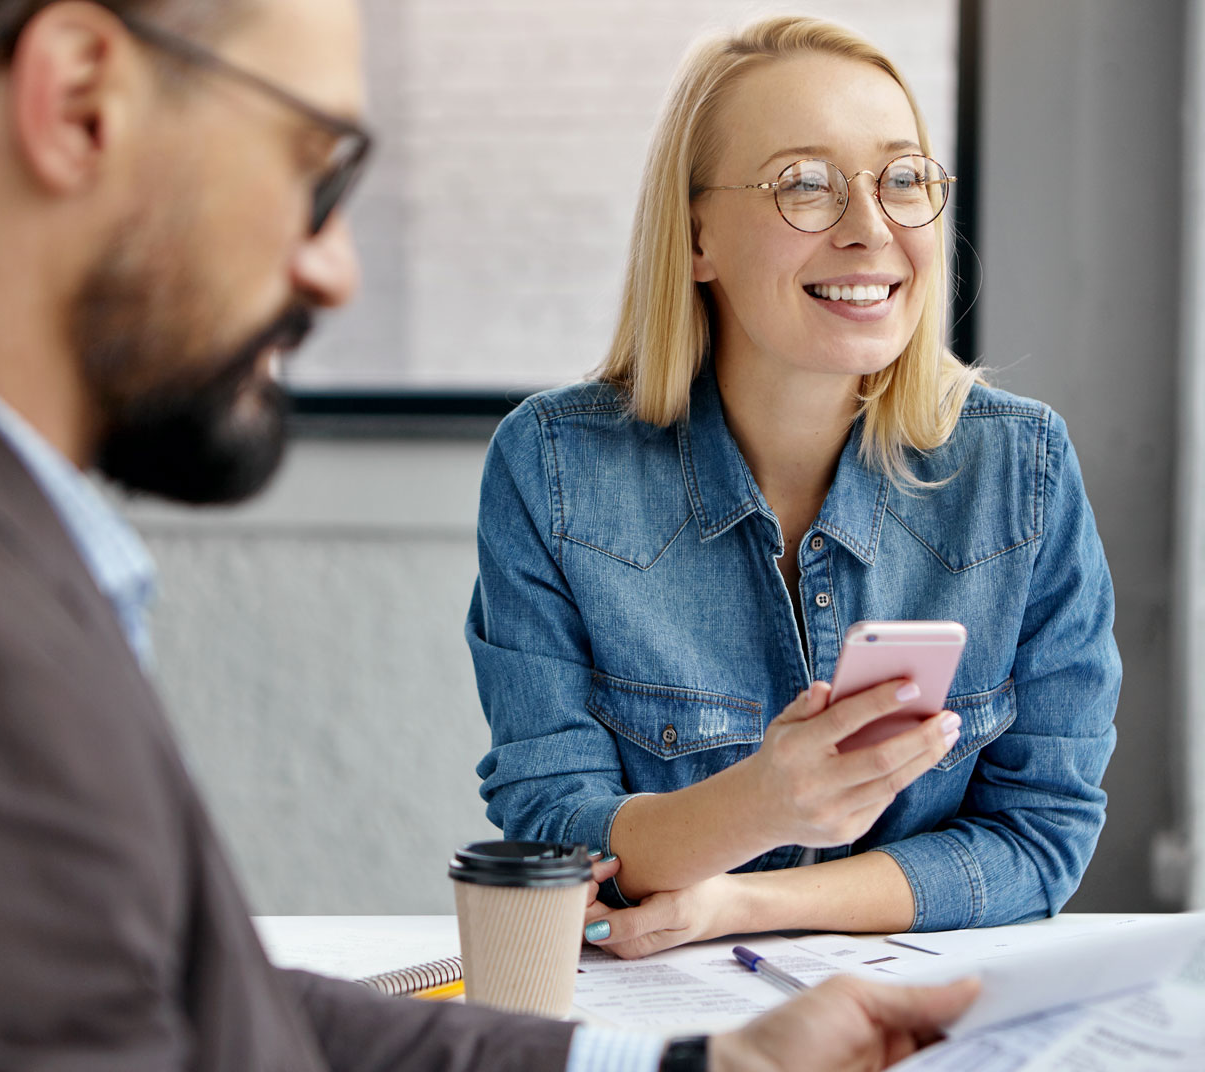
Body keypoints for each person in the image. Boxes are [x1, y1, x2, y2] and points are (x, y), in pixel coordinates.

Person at [0, 1, 980, 1069]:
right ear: (78, 106)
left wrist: (693, 1067)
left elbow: (201, 1009)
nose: (335, 268)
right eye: (318, 168)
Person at [466, 15, 1122, 959]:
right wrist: (761, 804)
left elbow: (1040, 837)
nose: (871, 230)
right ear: (697, 238)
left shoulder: (1024, 473)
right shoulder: (553, 470)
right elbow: (552, 827)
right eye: (805, 186)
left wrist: (742, 902)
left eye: (902, 180)